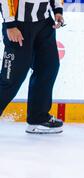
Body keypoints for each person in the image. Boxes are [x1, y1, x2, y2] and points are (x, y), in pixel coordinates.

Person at [0, 0, 65, 134]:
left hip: (44, 22)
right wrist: (10, 24)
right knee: (11, 78)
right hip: (18, 24)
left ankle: (38, 118)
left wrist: (57, 10)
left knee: (48, 67)